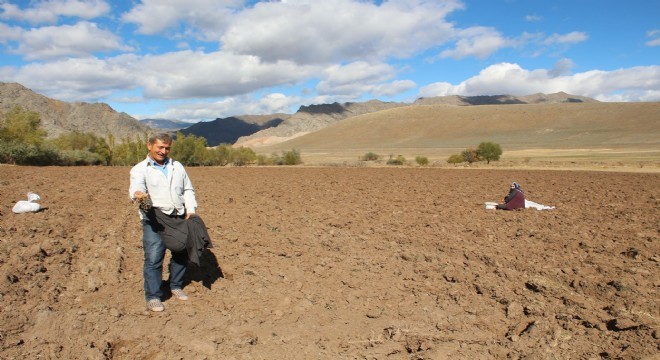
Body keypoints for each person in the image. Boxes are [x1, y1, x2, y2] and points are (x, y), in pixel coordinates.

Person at [129, 133, 197, 312]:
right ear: (149, 146)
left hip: (178, 216)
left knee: (181, 252)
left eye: (167, 148)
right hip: (154, 220)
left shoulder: (177, 166)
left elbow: (188, 188)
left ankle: (175, 285)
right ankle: (153, 296)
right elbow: (136, 188)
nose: (163, 151)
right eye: (159, 147)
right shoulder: (140, 169)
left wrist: (190, 209)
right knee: (154, 258)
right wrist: (139, 195)